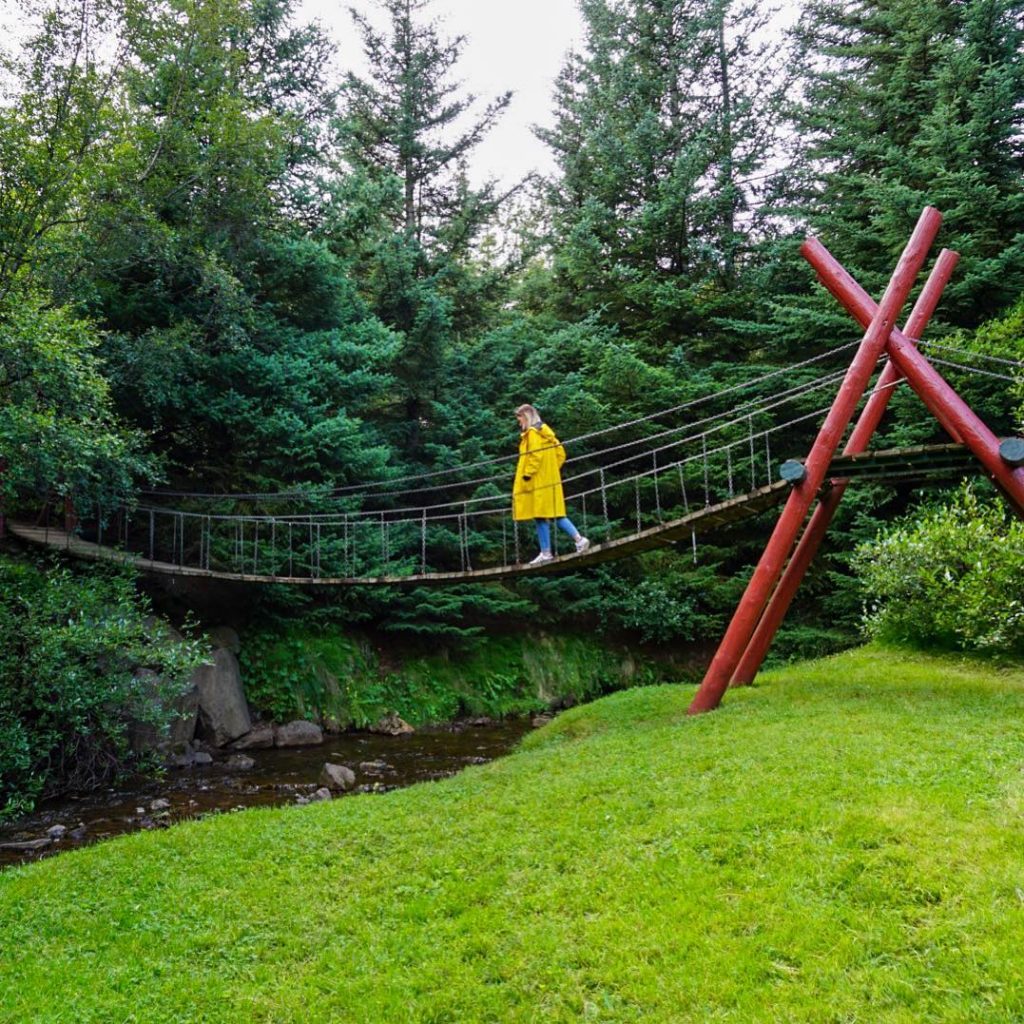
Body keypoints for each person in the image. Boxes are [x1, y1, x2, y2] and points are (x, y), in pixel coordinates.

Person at [513, 404, 590, 564]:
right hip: (550, 480)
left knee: (542, 515)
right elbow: (560, 453)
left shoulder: (532, 434)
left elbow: (534, 455)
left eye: (519, 418)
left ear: (526, 416)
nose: (518, 422)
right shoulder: (547, 434)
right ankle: (575, 541)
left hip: (537, 482)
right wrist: (551, 470)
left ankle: (551, 550)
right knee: (552, 513)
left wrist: (528, 474)